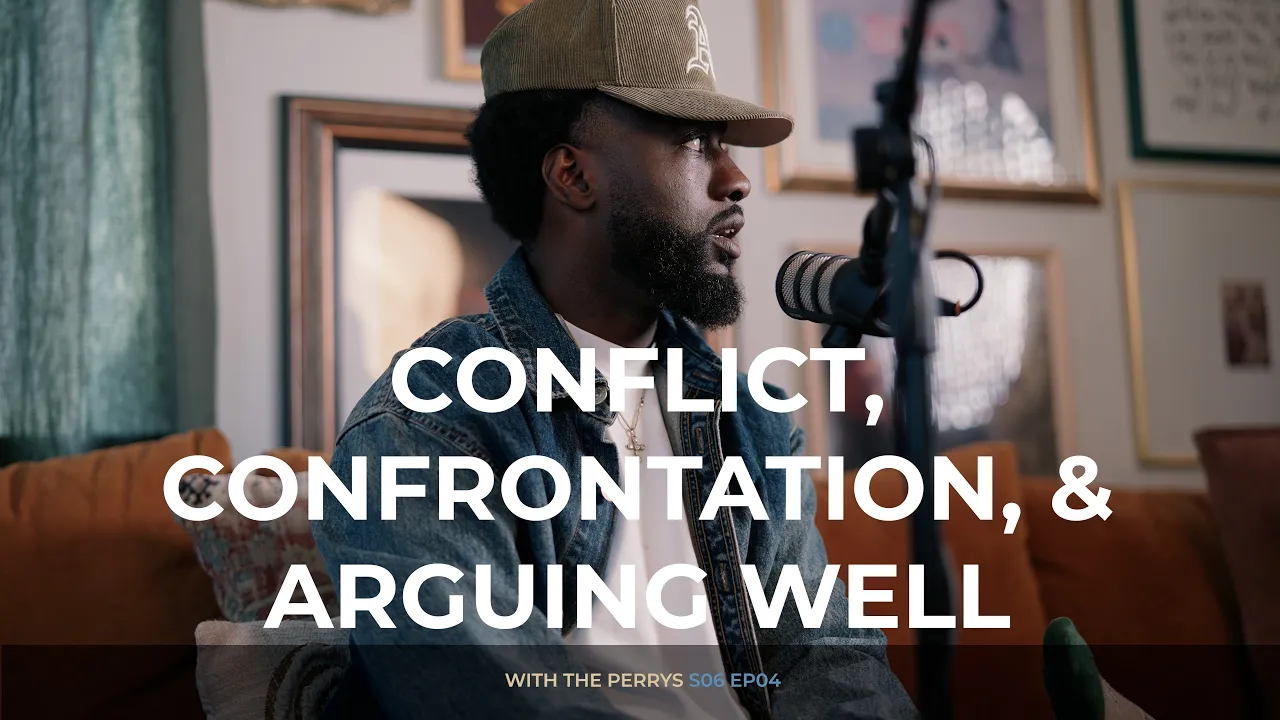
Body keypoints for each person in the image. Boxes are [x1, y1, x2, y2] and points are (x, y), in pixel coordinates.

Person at [313, 0, 917, 717]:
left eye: (724, 144)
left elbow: (832, 671)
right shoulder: (429, 420)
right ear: (572, 176)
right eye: (693, 142)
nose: (736, 178)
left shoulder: (751, 424)